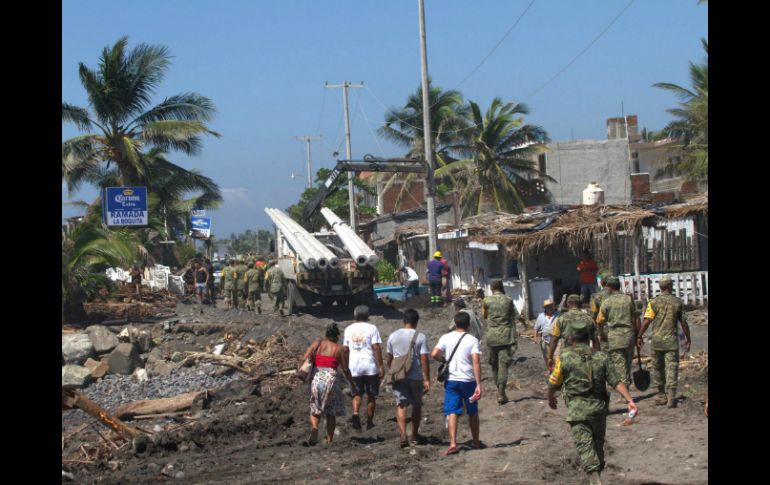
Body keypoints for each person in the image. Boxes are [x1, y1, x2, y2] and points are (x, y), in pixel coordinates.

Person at [547, 320, 637, 485]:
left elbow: (553, 382)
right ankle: (597, 473)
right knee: (597, 445)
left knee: (585, 446)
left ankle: (595, 478)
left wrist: (550, 397)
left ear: (571, 338)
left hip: (577, 410)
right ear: (589, 337)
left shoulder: (564, 358)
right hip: (599, 409)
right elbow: (615, 381)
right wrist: (630, 400)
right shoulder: (601, 356)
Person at [431, 312, 483, 455]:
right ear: (468, 324)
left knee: (452, 411)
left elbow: (434, 353)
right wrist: (479, 384)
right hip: (469, 381)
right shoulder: (472, 340)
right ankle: (476, 441)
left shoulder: (445, 337)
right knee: (472, 412)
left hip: (452, 381)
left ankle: (453, 443)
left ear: (455, 323)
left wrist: (444, 360)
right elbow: (476, 362)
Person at [637, 276, 692, 408]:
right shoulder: (677, 302)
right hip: (671, 341)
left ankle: (661, 395)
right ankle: (671, 397)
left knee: (658, 368)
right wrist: (688, 338)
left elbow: (647, 321)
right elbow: (684, 323)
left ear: (661, 287)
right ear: (670, 286)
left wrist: (639, 336)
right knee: (672, 367)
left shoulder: (654, 302)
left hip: (657, 341)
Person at [300, 323, 355, 446]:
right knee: (331, 412)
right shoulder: (338, 348)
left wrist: (301, 372)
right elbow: (345, 369)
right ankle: (330, 440)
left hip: (316, 377)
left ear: (326, 334)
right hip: (331, 381)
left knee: (315, 408)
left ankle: (315, 427)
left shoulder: (316, 344)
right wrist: (352, 383)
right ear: (336, 336)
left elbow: (304, 358)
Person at [386, 309, 431, 448]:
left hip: (399, 376)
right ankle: (414, 435)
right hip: (415, 376)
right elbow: (424, 359)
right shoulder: (420, 336)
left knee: (401, 404)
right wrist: (427, 378)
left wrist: (394, 370)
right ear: (416, 322)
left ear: (403, 321)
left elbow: (389, 358)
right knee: (416, 405)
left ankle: (403, 435)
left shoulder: (393, 336)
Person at [482, 279, 527, 404]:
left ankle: (500, 390)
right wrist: (526, 326)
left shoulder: (486, 301)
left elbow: (484, 315)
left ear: (491, 288)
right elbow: (517, 316)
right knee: (503, 366)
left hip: (492, 337)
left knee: (494, 364)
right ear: (501, 287)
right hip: (506, 337)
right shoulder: (508, 299)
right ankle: (501, 392)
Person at [596, 277, 640, 402]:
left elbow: (599, 320)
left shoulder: (607, 302)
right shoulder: (628, 300)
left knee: (619, 365)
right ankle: (626, 388)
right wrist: (638, 335)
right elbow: (635, 317)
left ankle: (625, 394)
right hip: (629, 335)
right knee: (627, 363)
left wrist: (601, 334)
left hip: (615, 337)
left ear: (609, 288)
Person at [343, 305, 384, 431]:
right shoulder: (372, 328)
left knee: (356, 394)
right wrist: (381, 365)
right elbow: (376, 347)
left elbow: (345, 349)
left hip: (354, 367)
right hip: (370, 366)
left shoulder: (348, 329)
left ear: (355, 316)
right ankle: (369, 422)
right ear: (367, 316)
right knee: (371, 395)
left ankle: (355, 413)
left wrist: (346, 366)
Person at [547, 295, 601, 371]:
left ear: (567, 304)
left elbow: (554, 339)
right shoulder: (589, 319)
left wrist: (550, 357)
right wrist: (597, 358)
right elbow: (595, 341)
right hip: (585, 358)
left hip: (567, 358)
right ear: (581, 304)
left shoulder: (561, 319)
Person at [534, 299, 559, 372]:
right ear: (545, 308)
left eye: (551, 306)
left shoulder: (558, 315)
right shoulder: (541, 316)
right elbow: (536, 328)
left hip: (557, 341)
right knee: (547, 357)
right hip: (545, 340)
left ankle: (557, 373)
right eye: (547, 307)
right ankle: (550, 370)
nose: (550, 308)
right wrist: (535, 337)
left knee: (557, 357)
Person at [590, 272, 612, 350]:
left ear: (602, 282)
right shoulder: (623, 295)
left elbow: (593, 315)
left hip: (604, 331)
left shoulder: (597, 296)